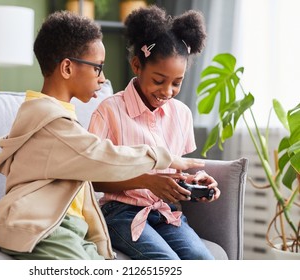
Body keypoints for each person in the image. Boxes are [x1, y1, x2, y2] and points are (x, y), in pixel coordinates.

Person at [0, 10, 205, 260]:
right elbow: (100, 156)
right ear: (67, 68)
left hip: (66, 223)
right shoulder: (52, 124)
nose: (103, 79)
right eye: (98, 68)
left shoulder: (57, 117)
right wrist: (161, 157)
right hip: (40, 225)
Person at [88, 6, 221, 260]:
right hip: (120, 212)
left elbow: (178, 170)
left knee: (204, 261)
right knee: (166, 263)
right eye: (159, 80)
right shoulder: (109, 111)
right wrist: (147, 181)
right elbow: (90, 178)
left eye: (176, 82)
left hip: (166, 212)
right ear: (137, 65)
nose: (167, 91)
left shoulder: (181, 114)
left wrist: (196, 182)